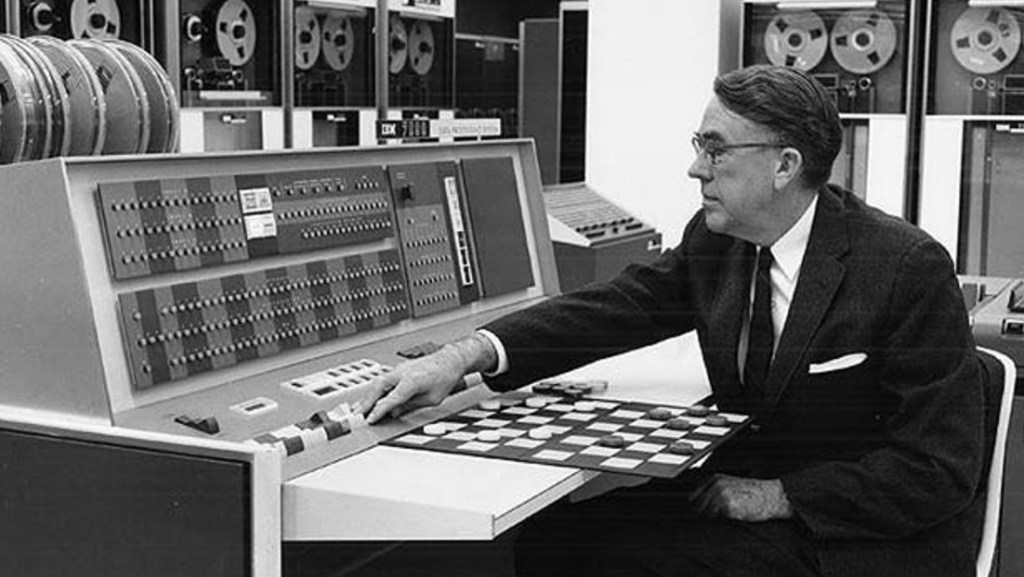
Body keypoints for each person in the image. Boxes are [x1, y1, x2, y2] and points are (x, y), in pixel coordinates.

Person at [360, 65, 985, 577]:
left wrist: (780, 497)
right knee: (553, 537)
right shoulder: (720, 242)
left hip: (856, 538)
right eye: (699, 145)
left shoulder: (904, 268)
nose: (696, 168)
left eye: (716, 150)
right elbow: (617, 307)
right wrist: (467, 354)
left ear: (785, 165)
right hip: (745, 486)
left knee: (626, 560)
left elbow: (940, 469)